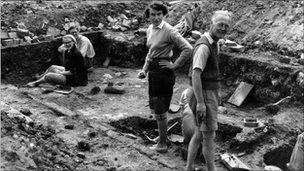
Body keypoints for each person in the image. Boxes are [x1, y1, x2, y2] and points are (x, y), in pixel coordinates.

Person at [138, 1, 193, 153]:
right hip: (154, 72)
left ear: (164, 14)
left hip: (163, 73)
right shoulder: (150, 28)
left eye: (159, 14)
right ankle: (163, 136)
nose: (156, 18)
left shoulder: (169, 31)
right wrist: (144, 69)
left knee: (161, 109)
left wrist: (174, 65)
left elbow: (188, 48)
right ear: (148, 16)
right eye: (153, 15)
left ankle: (162, 144)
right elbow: (151, 53)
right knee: (156, 108)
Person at [186, 10, 233, 171]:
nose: (223, 28)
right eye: (220, 24)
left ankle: (189, 168)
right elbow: (196, 75)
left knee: (199, 135)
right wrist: (200, 103)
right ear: (211, 24)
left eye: (226, 26)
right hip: (203, 95)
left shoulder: (215, 43)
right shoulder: (204, 46)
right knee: (209, 138)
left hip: (207, 93)